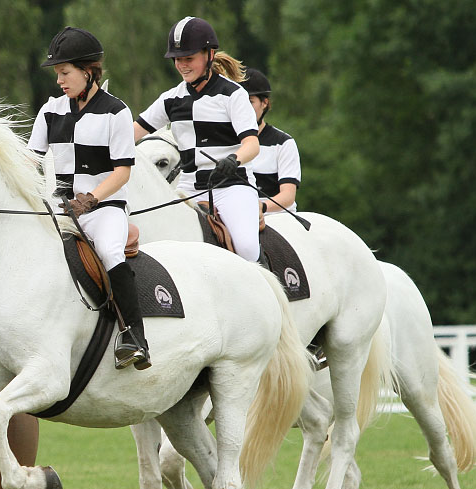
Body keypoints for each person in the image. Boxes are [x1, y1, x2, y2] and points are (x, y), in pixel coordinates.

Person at [29, 27, 150, 370]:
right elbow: (29, 162)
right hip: (59, 208)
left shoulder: (116, 112)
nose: (59, 81)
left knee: (111, 251)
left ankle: (134, 336)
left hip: (104, 208)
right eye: (57, 74)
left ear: (88, 70)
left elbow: (122, 172)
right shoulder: (50, 111)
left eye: (65, 73)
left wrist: (91, 200)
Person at [133, 16, 261, 262]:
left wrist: (233, 160)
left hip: (231, 186)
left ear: (209, 54)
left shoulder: (233, 95)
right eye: (178, 60)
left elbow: (252, 145)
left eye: (188, 58)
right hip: (188, 188)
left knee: (246, 248)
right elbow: (133, 132)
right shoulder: (170, 99)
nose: (182, 65)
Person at [239, 67, 301, 213]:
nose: (243, 109)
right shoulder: (225, 142)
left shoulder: (284, 143)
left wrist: (261, 207)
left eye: (250, 102)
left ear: (264, 103)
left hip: (274, 216)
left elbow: (288, 195)